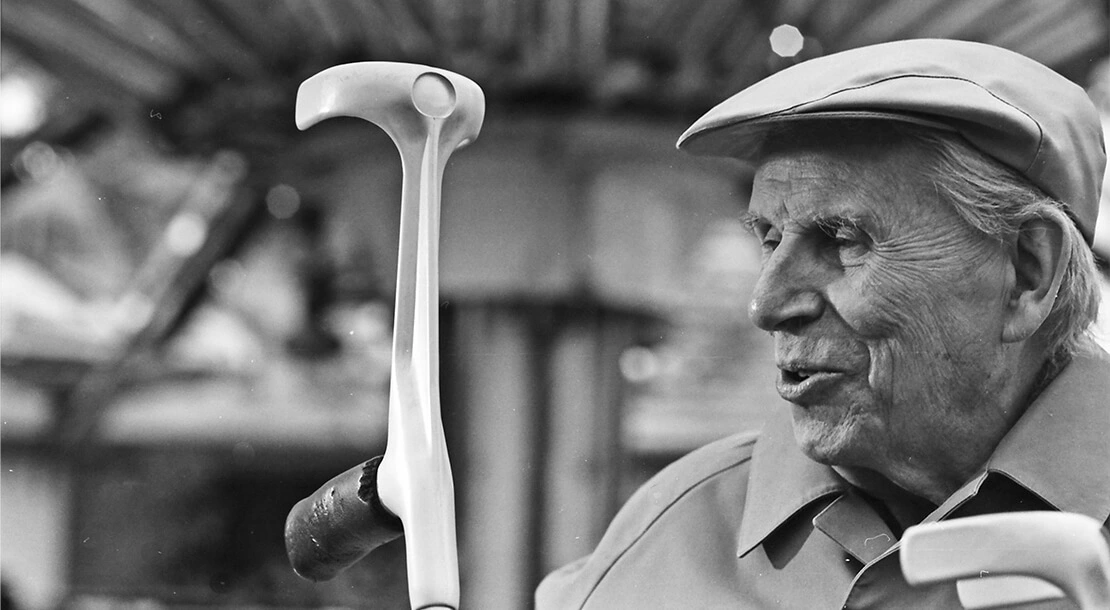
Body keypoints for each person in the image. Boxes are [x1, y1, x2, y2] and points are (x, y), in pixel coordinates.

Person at [534, 39, 1109, 609]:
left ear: (1027, 271)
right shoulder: (664, 539)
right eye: (769, 238)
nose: (766, 305)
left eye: (841, 240)